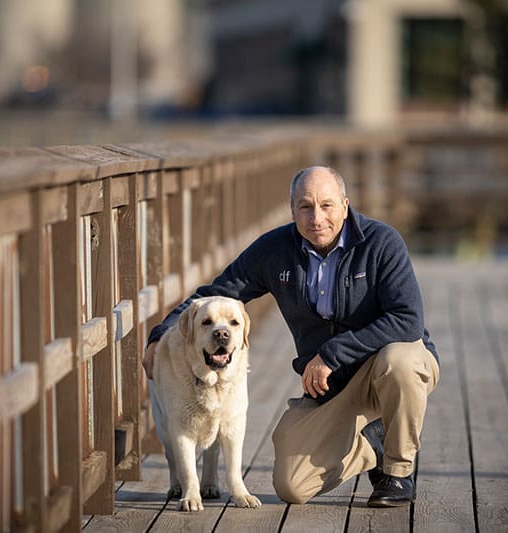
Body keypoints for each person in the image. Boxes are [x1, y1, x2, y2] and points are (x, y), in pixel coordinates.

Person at [144, 166, 439, 507]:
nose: (317, 218)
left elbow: (408, 320)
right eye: (306, 206)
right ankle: (375, 438)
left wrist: (331, 354)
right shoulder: (275, 249)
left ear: (345, 205)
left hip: (388, 369)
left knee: (400, 361)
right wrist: (161, 333)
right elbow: (216, 293)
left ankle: (397, 472)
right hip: (334, 388)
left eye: (326, 206)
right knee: (292, 486)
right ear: (292, 209)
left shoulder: (382, 242)